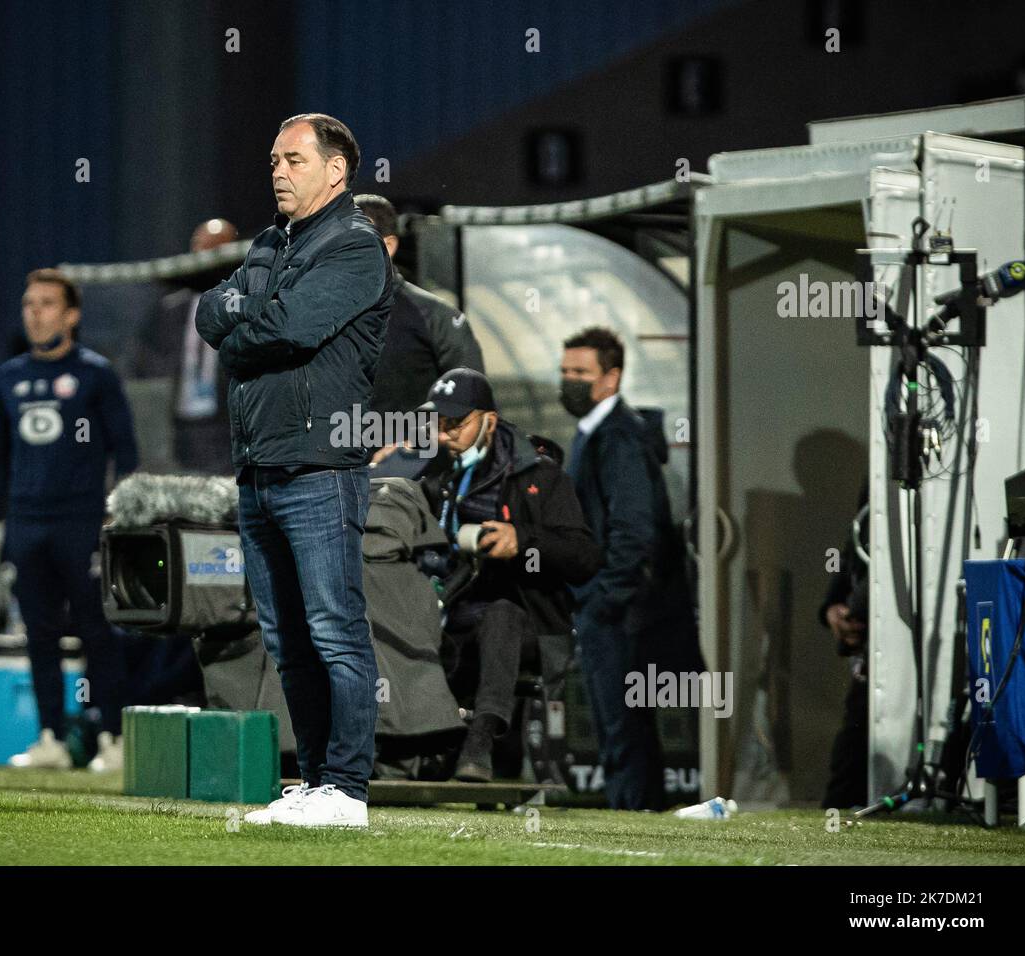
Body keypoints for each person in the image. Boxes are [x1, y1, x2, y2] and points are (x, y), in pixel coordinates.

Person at [195, 113, 394, 828]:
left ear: (336, 171)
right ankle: (317, 784)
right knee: (286, 638)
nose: (277, 170)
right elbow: (206, 311)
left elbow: (289, 328)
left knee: (334, 628)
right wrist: (248, 316)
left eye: (293, 159)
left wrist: (245, 320)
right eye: (274, 159)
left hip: (318, 466)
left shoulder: (355, 245)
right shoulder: (267, 242)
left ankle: (347, 788)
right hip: (259, 466)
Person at [0, 268, 139, 772]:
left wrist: (120, 511)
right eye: (28, 304)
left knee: (96, 629)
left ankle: (112, 737)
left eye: (46, 303)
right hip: (26, 522)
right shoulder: (8, 377)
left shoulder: (95, 374)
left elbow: (125, 450)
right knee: (38, 633)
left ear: (71, 315)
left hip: (81, 521)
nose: (35, 313)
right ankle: (51, 738)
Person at [411, 368, 601, 781]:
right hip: (454, 619)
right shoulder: (438, 474)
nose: (444, 435)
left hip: (531, 625)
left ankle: (479, 742)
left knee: (501, 613)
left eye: (455, 424)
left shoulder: (541, 476)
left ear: (490, 421)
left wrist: (525, 540)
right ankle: (400, 752)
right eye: (437, 425)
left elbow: (585, 558)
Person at [562, 326, 695, 812]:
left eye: (580, 372)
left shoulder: (617, 437)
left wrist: (603, 598)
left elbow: (634, 529)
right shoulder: (598, 433)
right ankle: (636, 812)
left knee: (623, 726)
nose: (569, 381)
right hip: (617, 608)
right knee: (619, 725)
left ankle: (636, 814)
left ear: (611, 377)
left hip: (622, 613)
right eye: (564, 372)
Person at [353, 195, 483, 422]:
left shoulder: (434, 317)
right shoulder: (312, 316)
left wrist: (409, 448)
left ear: (389, 246)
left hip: (415, 455)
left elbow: (471, 403)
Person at [132, 218, 240, 473]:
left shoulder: (244, 306)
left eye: (214, 250)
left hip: (226, 427)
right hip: (177, 429)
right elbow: (144, 362)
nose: (204, 258)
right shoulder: (169, 311)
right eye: (199, 248)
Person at [817, 480, 869, 809]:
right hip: (866, 672)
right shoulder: (863, 525)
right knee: (847, 764)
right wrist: (834, 612)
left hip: (901, 671)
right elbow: (837, 591)